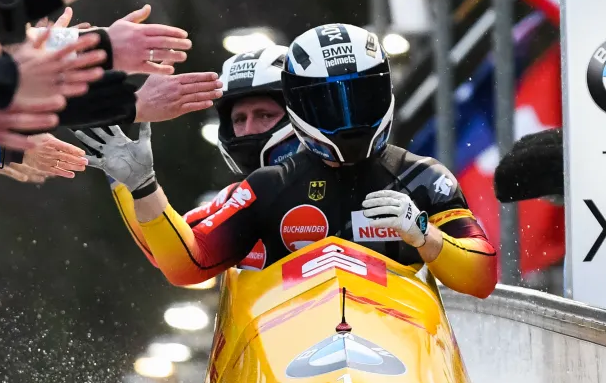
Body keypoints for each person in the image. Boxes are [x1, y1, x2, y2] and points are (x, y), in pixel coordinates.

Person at [81, 23, 498, 299]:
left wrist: (425, 236)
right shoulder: (268, 186)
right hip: (290, 370)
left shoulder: (424, 179)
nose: (346, 119)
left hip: (401, 359)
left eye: (359, 97)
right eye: (327, 104)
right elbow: (187, 264)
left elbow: (481, 278)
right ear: (300, 107)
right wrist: (141, 185)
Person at [98, 44, 302, 271]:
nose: (248, 130)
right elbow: (169, 252)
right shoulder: (236, 197)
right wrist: (132, 183)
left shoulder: (345, 178)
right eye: (239, 119)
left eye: (265, 115)